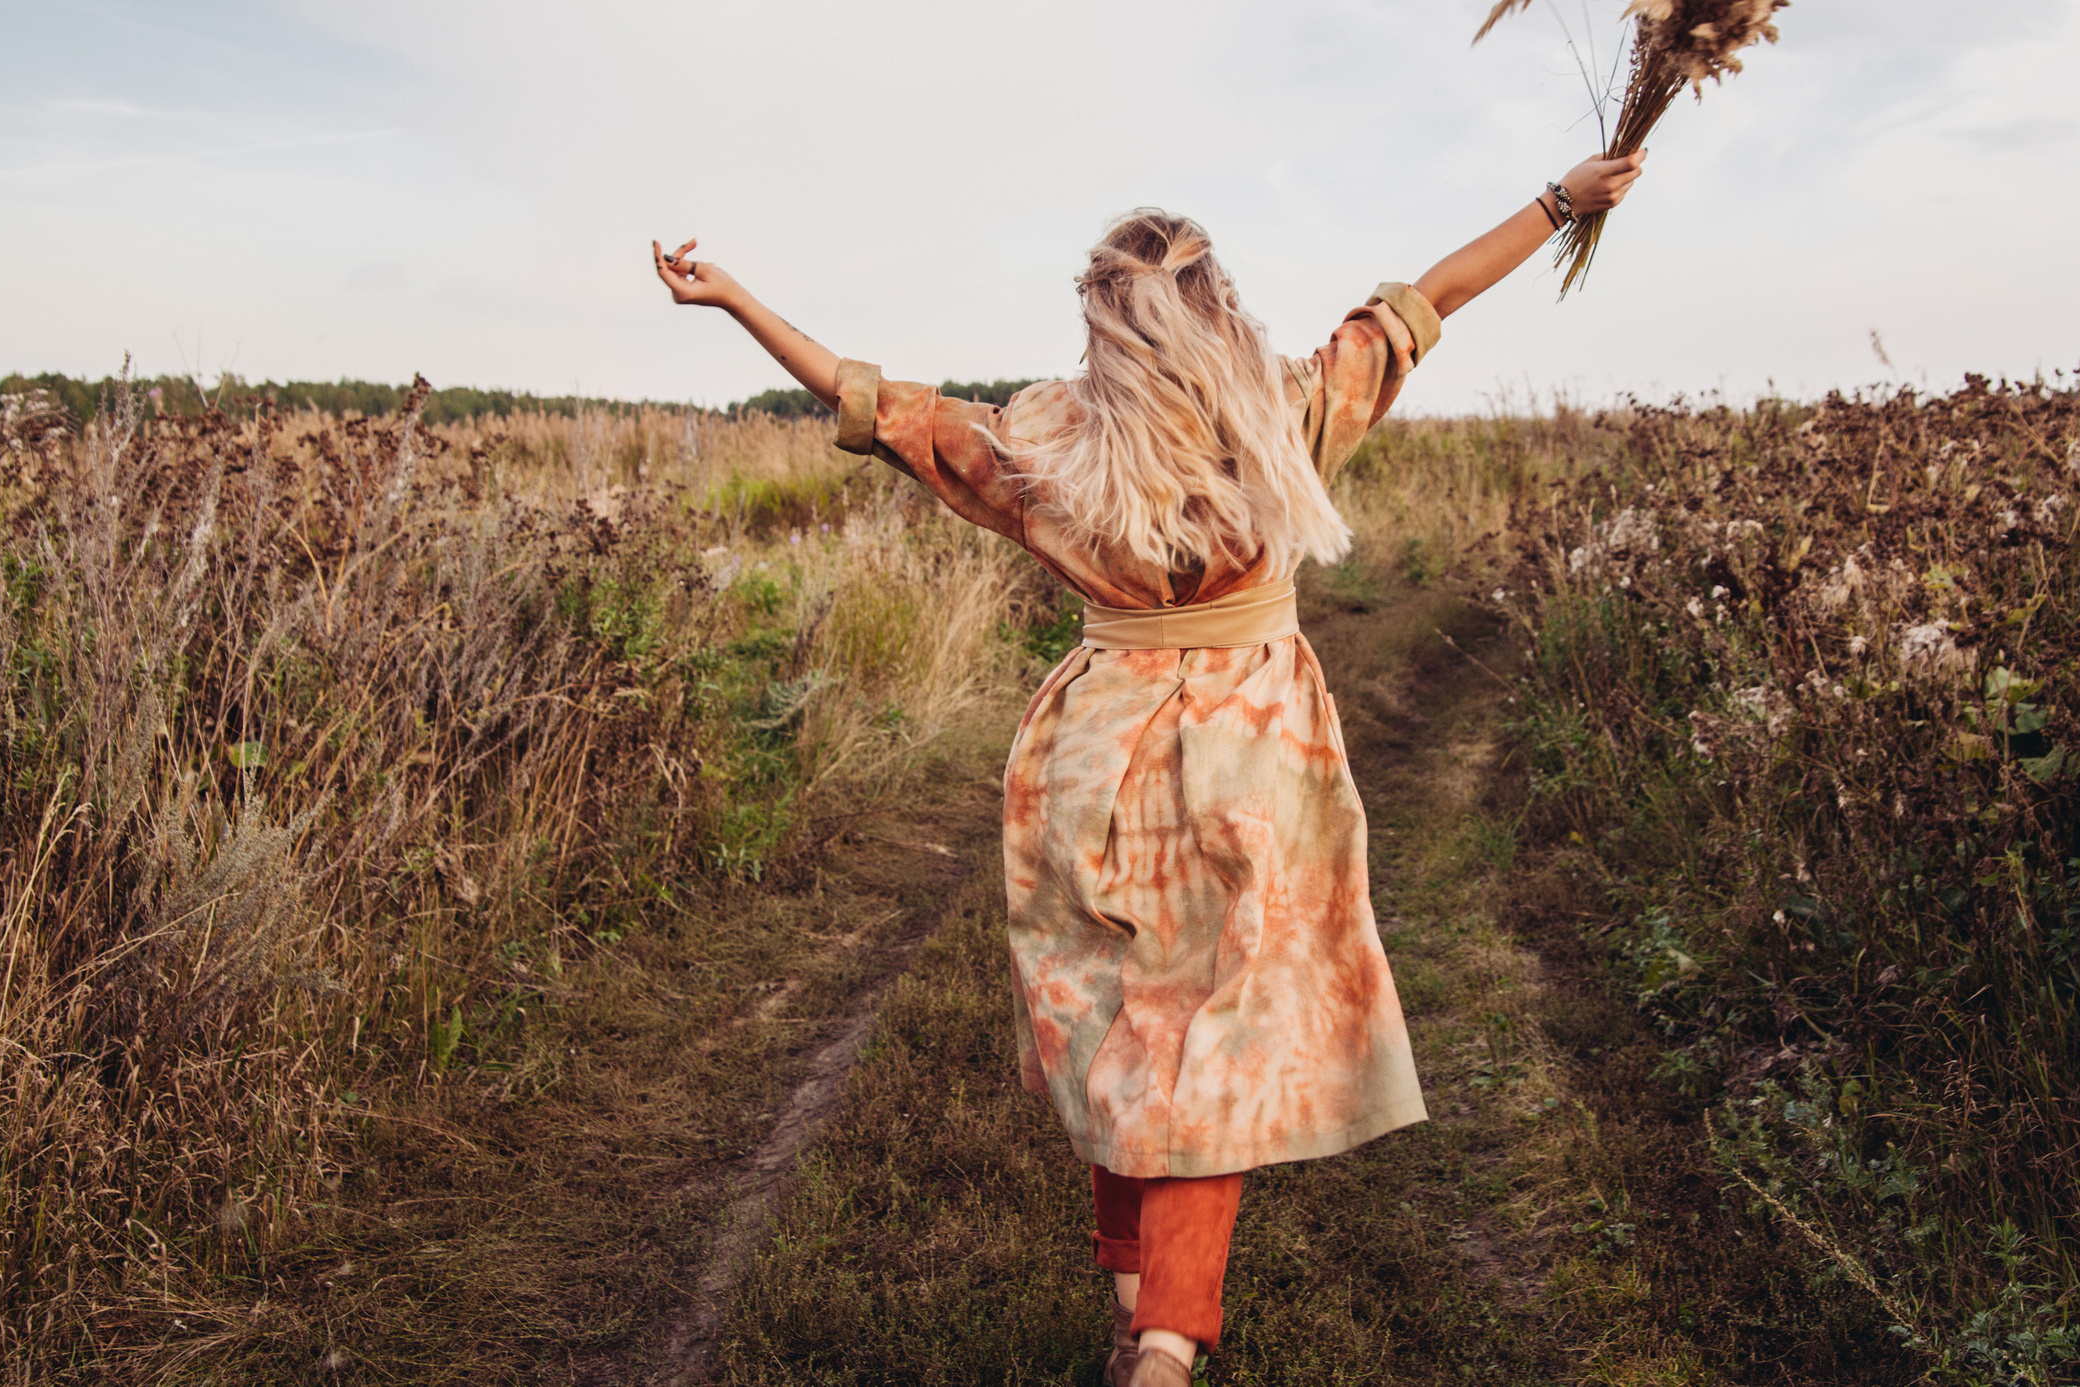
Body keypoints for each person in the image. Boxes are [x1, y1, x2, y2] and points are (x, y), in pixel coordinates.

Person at [649, 148, 1644, 1385]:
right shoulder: (1284, 417)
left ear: (1100, 328)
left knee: (1120, 1029)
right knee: (1205, 1045)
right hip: (1253, 756)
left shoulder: (1046, 446)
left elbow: (879, 406)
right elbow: (1427, 300)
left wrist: (736, 299)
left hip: (1095, 754)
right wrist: (1562, 204)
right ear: (1215, 308)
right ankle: (1165, 1342)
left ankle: (1139, 1319)